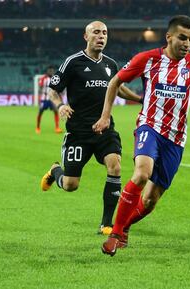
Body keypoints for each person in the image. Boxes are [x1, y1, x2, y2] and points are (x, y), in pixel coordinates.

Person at [93, 15, 190, 256]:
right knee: (142, 173)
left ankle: (123, 228)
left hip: (177, 138)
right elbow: (115, 81)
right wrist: (106, 116)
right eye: (182, 38)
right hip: (150, 126)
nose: (187, 43)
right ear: (169, 37)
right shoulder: (148, 59)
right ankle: (115, 234)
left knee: (149, 202)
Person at [40, 21, 142, 235]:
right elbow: (53, 90)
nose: (101, 36)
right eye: (96, 32)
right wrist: (60, 106)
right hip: (78, 133)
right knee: (70, 185)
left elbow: (119, 89)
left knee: (114, 166)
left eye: (104, 33)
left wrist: (141, 99)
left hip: (105, 129)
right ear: (86, 37)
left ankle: (106, 223)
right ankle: (55, 171)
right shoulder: (73, 62)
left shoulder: (111, 64)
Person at [36, 65, 63, 134]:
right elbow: (40, 87)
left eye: (52, 70)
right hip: (44, 99)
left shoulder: (55, 78)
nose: (51, 71)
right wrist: (41, 95)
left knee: (55, 111)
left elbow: (57, 88)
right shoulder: (43, 78)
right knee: (40, 112)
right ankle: (38, 127)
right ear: (47, 71)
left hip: (52, 99)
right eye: (50, 70)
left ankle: (57, 128)